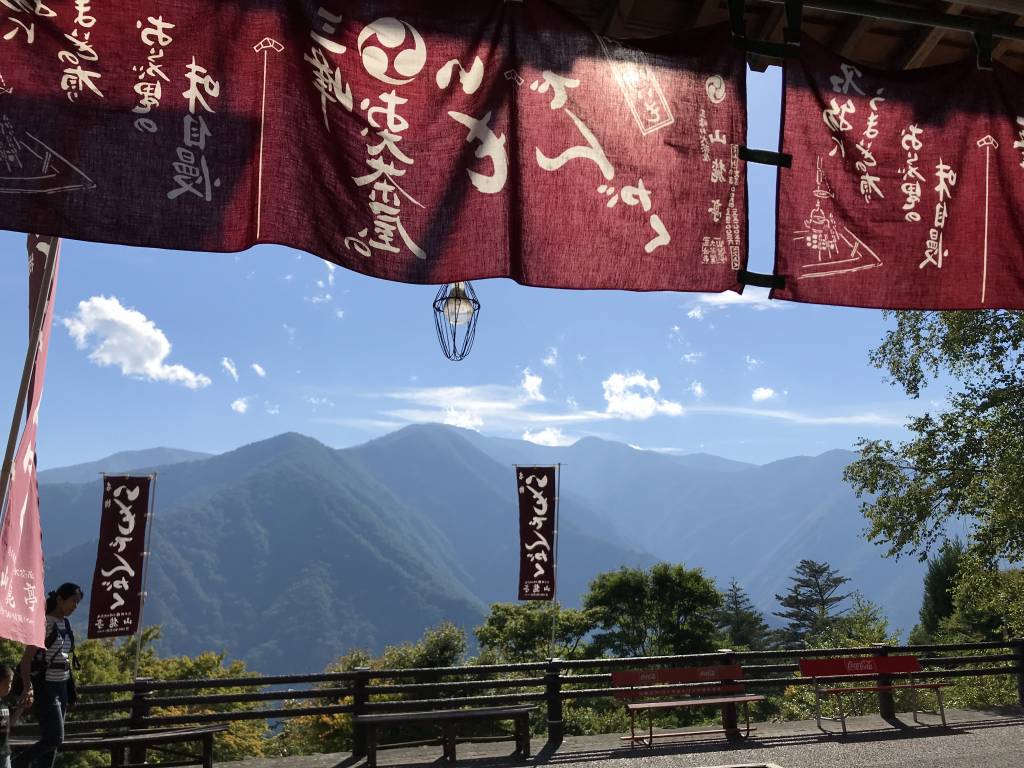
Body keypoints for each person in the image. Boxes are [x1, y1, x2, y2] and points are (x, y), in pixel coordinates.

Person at [12, 583, 83, 768]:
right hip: (46, 687)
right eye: (72, 601)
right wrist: (28, 686)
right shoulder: (43, 623)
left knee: (51, 744)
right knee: (55, 738)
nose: (75, 606)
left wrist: (71, 691)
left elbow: (64, 659)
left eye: (78, 602)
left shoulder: (65, 623)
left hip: (62, 687)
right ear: (60, 599)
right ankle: (16, 763)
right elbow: (26, 660)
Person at [1, 664, 31, 768]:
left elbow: (10, 723)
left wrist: (21, 707)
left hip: (4, 751)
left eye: (11, 683)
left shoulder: (3, 705)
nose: (10, 686)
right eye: (7, 683)